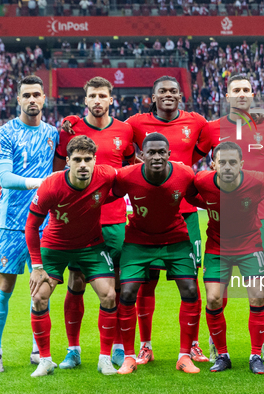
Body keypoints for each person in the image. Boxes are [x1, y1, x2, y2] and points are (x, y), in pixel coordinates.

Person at [62, 76, 211, 364]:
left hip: (185, 215)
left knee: (192, 284)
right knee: (141, 283)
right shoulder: (132, 125)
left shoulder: (198, 122)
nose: (168, 95)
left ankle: (191, 345)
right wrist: (71, 121)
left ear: (181, 95)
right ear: (152, 97)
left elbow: (206, 156)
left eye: (173, 91)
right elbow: (114, 153)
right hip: (139, 219)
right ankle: (141, 345)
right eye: (161, 91)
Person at [52, 77, 137, 370]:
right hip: (81, 222)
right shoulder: (71, 129)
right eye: (92, 96)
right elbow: (58, 171)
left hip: (114, 220)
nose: (98, 100)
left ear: (111, 99)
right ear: (85, 100)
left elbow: (130, 166)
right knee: (75, 283)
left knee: (115, 286)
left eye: (103, 95)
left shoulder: (125, 130)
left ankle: (115, 348)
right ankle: (73, 351)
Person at [192, 74, 264, 362]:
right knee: (217, 294)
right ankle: (219, 347)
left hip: (260, 218)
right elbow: (192, 164)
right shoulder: (212, 128)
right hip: (221, 224)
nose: (242, 94)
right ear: (226, 96)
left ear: (253, 95)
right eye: (236, 90)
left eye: (246, 90)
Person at [26, 136, 119, 377]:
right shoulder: (52, 185)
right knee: (39, 298)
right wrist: (37, 265)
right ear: (67, 161)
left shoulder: (106, 175)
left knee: (109, 295)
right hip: (55, 246)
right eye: (77, 159)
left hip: (91, 245)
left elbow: (131, 178)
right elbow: (31, 225)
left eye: (88, 159)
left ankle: (105, 359)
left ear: (95, 160)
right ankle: (45, 360)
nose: (83, 165)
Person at [111, 133, 201, 374]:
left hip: (175, 238)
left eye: (162, 152)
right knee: (128, 292)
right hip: (139, 239)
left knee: (191, 290)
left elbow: (200, 195)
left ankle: (184, 355)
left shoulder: (184, 174)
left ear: (169, 154)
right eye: (151, 152)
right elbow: (108, 191)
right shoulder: (128, 175)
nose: (157, 156)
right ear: (141, 156)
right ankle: (131, 356)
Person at [0, 75, 59, 373]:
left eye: (37, 95)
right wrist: (42, 183)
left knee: (42, 286)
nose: (32, 100)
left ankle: (38, 349)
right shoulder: (4, 133)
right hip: (12, 223)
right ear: (18, 99)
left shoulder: (54, 134)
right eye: (26, 95)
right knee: (5, 285)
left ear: (44, 99)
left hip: (44, 224)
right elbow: (5, 178)